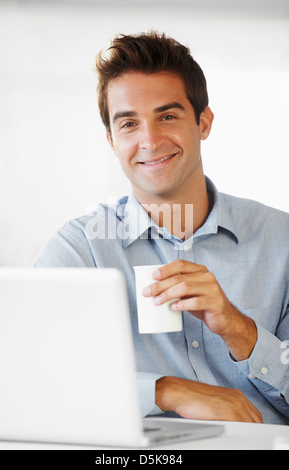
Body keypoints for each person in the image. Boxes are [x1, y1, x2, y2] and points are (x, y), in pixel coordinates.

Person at [34, 31, 289, 425]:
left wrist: (239, 329)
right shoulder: (79, 250)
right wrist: (164, 390)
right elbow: (34, 384)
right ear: (111, 139)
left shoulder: (281, 240)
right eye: (129, 124)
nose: (150, 141)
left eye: (167, 116)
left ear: (203, 123)